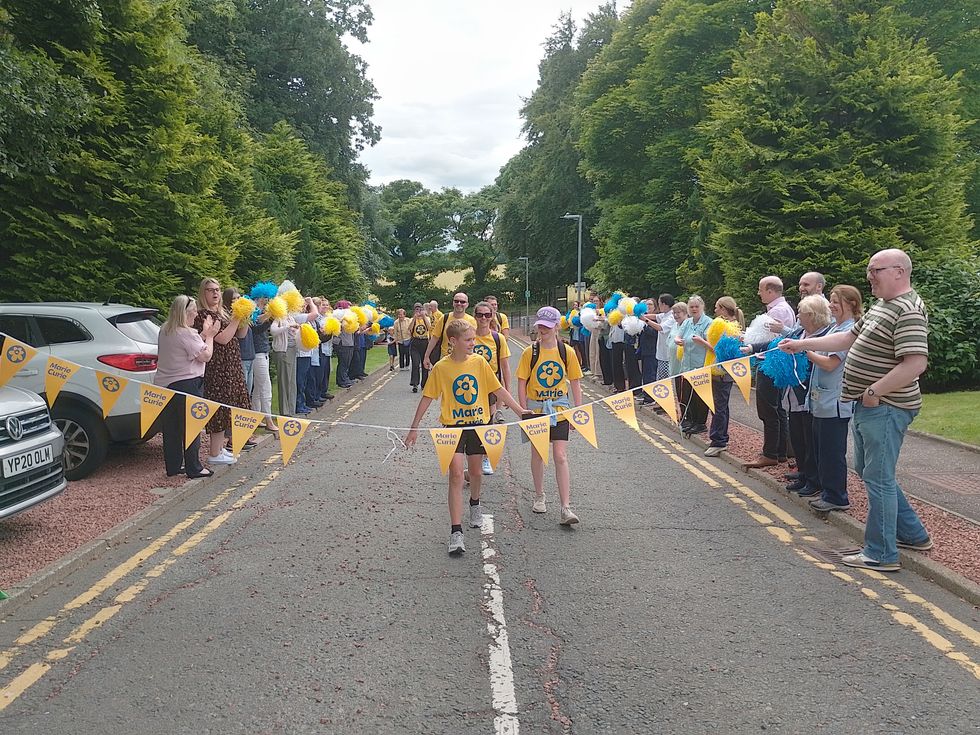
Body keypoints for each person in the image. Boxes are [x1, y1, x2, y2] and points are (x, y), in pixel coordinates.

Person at [781, 249, 931, 571]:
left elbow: (915, 363)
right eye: (869, 271)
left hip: (886, 407)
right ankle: (913, 534)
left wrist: (875, 391)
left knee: (877, 477)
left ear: (899, 272)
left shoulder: (907, 310)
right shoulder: (882, 306)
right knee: (870, 472)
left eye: (874, 270)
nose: (869, 276)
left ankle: (881, 553)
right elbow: (847, 337)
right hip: (869, 406)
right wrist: (803, 344)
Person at [405, 320, 530, 556]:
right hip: (451, 429)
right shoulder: (441, 368)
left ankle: (475, 503)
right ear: (453, 341)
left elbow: (498, 389)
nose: (473, 343)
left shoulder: (480, 362)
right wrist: (414, 428)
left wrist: (520, 411)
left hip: (479, 426)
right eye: (469, 340)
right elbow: (427, 398)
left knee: (475, 473)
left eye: (474, 339)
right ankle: (455, 531)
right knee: (455, 475)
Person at [516, 306, 584, 525]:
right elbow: (521, 382)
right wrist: (523, 410)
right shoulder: (530, 352)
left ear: (556, 327)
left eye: (546, 327)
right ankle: (539, 496)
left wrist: (577, 411)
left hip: (560, 410)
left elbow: (575, 383)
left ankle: (566, 507)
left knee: (560, 456)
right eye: (540, 327)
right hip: (536, 411)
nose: (542, 331)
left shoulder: (567, 352)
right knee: (538, 454)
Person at [805, 285, 862, 512]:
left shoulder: (849, 330)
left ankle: (838, 496)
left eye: (836, 301)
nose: (831, 305)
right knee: (822, 449)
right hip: (822, 401)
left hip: (835, 403)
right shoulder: (834, 328)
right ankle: (828, 492)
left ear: (851, 304)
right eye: (830, 300)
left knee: (832, 452)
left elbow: (830, 364)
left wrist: (805, 351)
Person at [155, 295, 220, 478]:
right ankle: (194, 467)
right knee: (191, 426)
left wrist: (204, 335)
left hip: (165, 385)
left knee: (172, 428)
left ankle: (174, 466)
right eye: (192, 313)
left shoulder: (165, 329)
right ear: (184, 313)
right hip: (188, 384)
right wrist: (211, 337)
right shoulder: (186, 333)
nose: (195, 316)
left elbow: (187, 347)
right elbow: (205, 355)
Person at [194, 278, 251, 466]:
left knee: (229, 404)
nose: (216, 293)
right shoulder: (203, 316)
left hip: (231, 365)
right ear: (203, 293)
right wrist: (236, 317)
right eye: (210, 290)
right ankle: (213, 452)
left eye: (217, 290)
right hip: (218, 368)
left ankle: (219, 450)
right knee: (218, 406)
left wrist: (243, 317)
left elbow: (240, 335)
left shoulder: (223, 314)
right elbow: (224, 339)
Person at [742, 276, 797, 468]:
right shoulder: (781, 309)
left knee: (768, 411)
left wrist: (749, 344)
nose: (758, 293)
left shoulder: (779, 311)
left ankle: (770, 453)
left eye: (760, 289)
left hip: (770, 364)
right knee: (778, 410)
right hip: (776, 364)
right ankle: (780, 452)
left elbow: (772, 341)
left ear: (771, 291)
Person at [784, 296, 835, 496]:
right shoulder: (800, 332)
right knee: (798, 437)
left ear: (812, 316)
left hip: (811, 394)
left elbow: (825, 363)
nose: (797, 316)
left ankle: (813, 480)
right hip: (795, 394)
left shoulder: (825, 335)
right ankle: (804, 474)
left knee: (810, 441)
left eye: (801, 312)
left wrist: (802, 350)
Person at [473, 301, 512, 474]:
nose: (483, 318)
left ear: (492, 317)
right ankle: (473, 457)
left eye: (487, 315)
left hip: (491, 385)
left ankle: (486, 456)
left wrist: (507, 393)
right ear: (475, 316)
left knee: (489, 421)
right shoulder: (469, 336)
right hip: (471, 385)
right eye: (480, 314)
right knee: (472, 421)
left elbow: (505, 367)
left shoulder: (498, 338)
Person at [704, 296, 745, 456]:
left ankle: (719, 441)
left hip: (722, 372)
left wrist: (703, 342)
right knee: (719, 406)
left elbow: (721, 352)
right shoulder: (731, 326)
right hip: (719, 371)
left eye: (716, 307)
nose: (714, 310)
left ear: (722, 308)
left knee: (719, 407)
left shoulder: (726, 326)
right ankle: (719, 437)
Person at [674, 295, 712, 434]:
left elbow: (711, 345)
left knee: (699, 396)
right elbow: (678, 335)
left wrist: (701, 341)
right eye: (691, 307)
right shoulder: (687, 322)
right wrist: (678, 340)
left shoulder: (708, 322)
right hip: (687, 364)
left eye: (697, 306)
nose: (694, 309)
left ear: (702, 307)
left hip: (701, 364)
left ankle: (700, 423)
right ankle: (689, 420)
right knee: (687, 394)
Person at [424, 292, 478, 369]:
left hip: (465, 361)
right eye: (456, 301)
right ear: (453, 303)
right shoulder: (444, 318)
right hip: (445, 360)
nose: (459, 303)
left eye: (462, 302)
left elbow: (475, 341)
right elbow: (435, 338)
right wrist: (426, 356)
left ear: (467, 304)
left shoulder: (472, 321)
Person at [249, 295, 277, 436]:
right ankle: (268, 420)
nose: (267, 301)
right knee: (265, 386)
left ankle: (256, 416)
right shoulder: (252, 312)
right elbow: (257, 330)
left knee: (259, 387)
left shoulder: (260, 312)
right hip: (258, 353)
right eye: (266, 298)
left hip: (263, 352)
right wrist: (270, 318)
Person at [637, 299, 660, 403]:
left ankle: (650, 398)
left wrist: (645, 325)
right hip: (644, 350)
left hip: (652, 350)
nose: (648, 306)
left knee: (651, 375)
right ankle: (646, 395)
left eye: (650, 304)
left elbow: (654, 333)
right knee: (645, 374)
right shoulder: (643, 318)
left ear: (655, 307)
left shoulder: (656, 319)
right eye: (646, 305)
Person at [408, 302, 431, 393]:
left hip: (424, 342)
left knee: (424, 364)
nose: (419, 312)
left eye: (420, 309)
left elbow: (429, 327)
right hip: (415, 342)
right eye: (417, 310)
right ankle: (415, 384)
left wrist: (424, 316)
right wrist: (414, 318)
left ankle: (424, 384)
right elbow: (409, 329)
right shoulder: (412, 319)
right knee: (415, 363)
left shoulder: (427, 318)